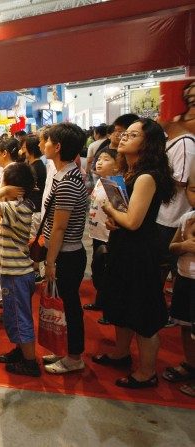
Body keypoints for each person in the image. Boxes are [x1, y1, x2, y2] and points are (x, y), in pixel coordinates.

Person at [93, 118, 176, 389]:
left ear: (148, 142)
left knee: (142, 311)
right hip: (124, 247)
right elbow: (125, 220)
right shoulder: (130, 173)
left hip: (140, 252)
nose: (124, 138)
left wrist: (110, 212)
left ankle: (147, 372)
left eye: (132, 134)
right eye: (124, 134)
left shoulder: (146, 177)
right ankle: (121, 353)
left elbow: (133, 221)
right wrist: (113, 221)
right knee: (122, 303)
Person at [0, 163, 40, 376]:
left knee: (20, 318)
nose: (0, 185)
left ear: (13, 187)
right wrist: (6, 190)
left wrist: (5, 191)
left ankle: (30, 362)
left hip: (16, 275)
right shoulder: (23, 205)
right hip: (16, 273)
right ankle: (20, 351)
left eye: (4, 182)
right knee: (14, 316)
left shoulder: (14, 208)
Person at [41, 123, 89, 374]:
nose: (43, 145)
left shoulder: (68, 181)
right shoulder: (64, 174)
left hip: (67, 255)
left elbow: (59, 228)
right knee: (62, 305)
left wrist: (50, 262)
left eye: (47, 140)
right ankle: (66, 350)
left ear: (57, 147)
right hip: (63, 253)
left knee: (69, 306)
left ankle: (74, 357)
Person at [163, 163, 195, 397]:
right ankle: (190, 362)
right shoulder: (187, 218)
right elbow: (172, 247)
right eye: (193, 189)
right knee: (184, 325)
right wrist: (184, 244)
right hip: (184, 277)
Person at [156, 114, 194, 294]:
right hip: (164, 213)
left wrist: (152, 178)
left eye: (160, 112)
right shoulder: (169, 141)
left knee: (172, 263)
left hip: (175, 216)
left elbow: (183, 179)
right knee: (163, 261)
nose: (156, 117)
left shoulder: (185, 142)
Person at [84, 147, 121, 323]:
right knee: (98, 270)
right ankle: (101, 301)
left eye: (105, 159)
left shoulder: (115, 184)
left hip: (108, 236)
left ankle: (110, 310)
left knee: (107, 272)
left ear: (117, 166)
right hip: (96, 233)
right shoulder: (100, 181)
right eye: (99, 158)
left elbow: (120, 211)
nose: (99, 162)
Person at [23, 136, 47, 282]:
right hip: (36, 209)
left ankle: (36, 271)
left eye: (24, 148)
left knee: (33, 242)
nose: (21, 150)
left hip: (35, 210)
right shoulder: (37, 165)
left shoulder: (35, 167)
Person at [85, 124, 108, 191]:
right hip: (108, 171)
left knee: (97, 187)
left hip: (96, 170)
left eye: (94, 133)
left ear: (98, 134)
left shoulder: (93, 145)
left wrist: (87, 171)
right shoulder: (109, 142)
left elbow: (89, 160)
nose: (94, 135)